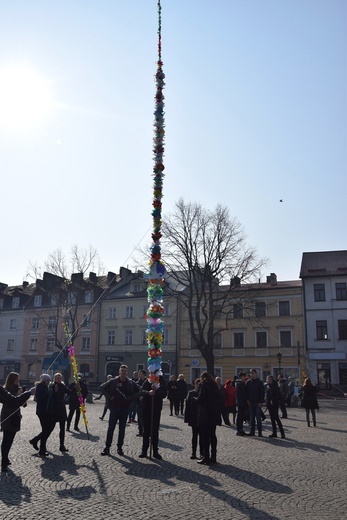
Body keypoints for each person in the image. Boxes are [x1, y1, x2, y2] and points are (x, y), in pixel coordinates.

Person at [100, 365, 141, 456]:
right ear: (119, 372)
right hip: (114, 408)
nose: (124, 372)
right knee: (111, 428)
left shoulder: (130, 382)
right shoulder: (113, 381)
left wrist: (131, 397)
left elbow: (140, 389)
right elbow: (101, 387)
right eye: (122, 370)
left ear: (127, 372)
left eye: (125, 371)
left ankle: (119, 448)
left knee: (122, 429)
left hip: (125, 409)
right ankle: (107, 447)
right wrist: (109, 396)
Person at [1, 372, 33, 473]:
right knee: (7, 439)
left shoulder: (17, 388)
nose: (18, 381)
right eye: (16, 379)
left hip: (15, 417)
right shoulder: (5, 389)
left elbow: (22, 404)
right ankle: (4, 461)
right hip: (8, 416)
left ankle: (6, 458)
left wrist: (22, 397)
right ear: (12, 379)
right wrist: (27, 393)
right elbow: (13, 400)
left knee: (11, 439)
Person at [139, 375, 167, 460]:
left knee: (155, 431)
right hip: (146, 408)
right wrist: (148, 393)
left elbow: (164, 394)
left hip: (156, 409)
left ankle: (155, 451)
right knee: (146, 431)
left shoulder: (161, 380)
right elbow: (141, 391)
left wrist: (157, 390)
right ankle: (144, 450)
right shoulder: (147, 380)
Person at [196, 372, 221, 465]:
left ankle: (206, 457)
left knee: (205, 436)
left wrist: (196, 400)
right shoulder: (215, 386)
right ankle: (213, 456)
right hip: (214, 413)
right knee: (213, 435)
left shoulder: (204, 385)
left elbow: (201, 397)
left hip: (205, 413)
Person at [29, 374, 55, 457]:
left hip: (47, 411)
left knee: (49, 428)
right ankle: (42, 449)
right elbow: (39, 399)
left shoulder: (46, 388)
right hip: (42, 412)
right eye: (47, 381)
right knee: (45, 429)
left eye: (49, 381)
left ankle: (35, 440)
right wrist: (48, 393)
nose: (48, 382)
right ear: (44, 381)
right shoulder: (39, 387)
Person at [49, 373, 71, 452]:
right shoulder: (52, 386)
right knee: (50, 428)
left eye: (60, 378)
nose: (59, 379)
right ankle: (37, 440)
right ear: (54, 379)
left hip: (61, 408)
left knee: (62, 428)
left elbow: (69, 392)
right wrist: (54, 391)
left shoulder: (62, 386)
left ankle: (62, 445)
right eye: (57, 378)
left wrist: (76, 389)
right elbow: (50, 396)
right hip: (54, 409)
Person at [184, 378, 203, 460]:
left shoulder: (202, 393)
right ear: (194, 384)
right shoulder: (191, 393)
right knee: (194, 436)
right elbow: (187, 406)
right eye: (197, 384)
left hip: (201, 418)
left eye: (199, 384)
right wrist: (187, 418)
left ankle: (202, 453)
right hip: (193, 417)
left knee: (202, 437)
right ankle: (193, 452)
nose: (198, 386)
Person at [246, 369, 265, 437]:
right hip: (250, 402)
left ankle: (260, 432)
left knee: (258, 418)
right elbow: (247, 392)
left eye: (253, 373)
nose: (252, 374)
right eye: (251, 373)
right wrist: (247, 400)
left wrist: (261, 401)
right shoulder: (248, 382)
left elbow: (262, 393)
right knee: (252, 418)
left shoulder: (260, 382)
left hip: (257, 402)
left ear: (256, 374)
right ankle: (252, 431)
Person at [135, 369, 147, 436]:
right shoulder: (137, 383)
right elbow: (135, 392)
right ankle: (140, 431)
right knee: (139, 417)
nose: (139, 375)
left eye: (140, 373)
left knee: (145, 417)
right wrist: (138, 397)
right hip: (138, 403)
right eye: (139, 374)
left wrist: (144, 396)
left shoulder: (147, 382)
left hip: (146, 403)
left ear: (144, 374)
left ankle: (146, 430)